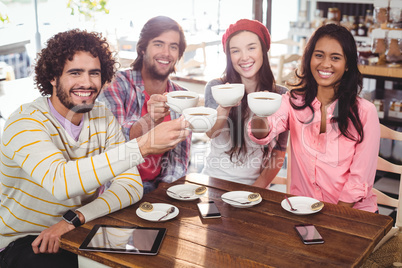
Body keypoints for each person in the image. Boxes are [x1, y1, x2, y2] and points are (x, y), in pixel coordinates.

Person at [0, 29, 189, 268]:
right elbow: (61, 183)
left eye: (94, 73)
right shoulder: (24, 122)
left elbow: (130, 186)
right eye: (75, 73)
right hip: (24, 241)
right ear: (53, 77)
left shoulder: (102, 116)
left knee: (156, 253)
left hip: (77, 229)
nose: (87, 83)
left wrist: (74, 219)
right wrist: (144, 145)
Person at [249, 24, 380, 212]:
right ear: (309, 58)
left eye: (335, 58)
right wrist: (259, 110)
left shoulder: (365, 112)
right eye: (319, 55)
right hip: (303, 209)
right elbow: (262, 133)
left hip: (352, 214)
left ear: (348, 64)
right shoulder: (293, 101)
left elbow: (359, 180)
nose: (325, 64)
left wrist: (333, 219)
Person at [99, 16, 191, 194]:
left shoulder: (182, 96)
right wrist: (151, 120)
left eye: (173, 47)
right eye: (158, 44)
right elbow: (114, 145)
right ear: (142, 49)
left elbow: (180, 159)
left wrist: (163, 194)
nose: (166, 52)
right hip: (118, 188)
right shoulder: (117, 84)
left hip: (160, 188)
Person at [201, 19, 288, 187]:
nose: (244, 57)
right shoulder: (216, 87)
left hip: (255, 187)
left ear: (263, 50)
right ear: (229, 56)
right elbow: (211, 133)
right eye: (235, 51)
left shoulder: (280, 95)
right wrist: (224, 106)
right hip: (213, 181)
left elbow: (279, 152)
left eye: (251, 48)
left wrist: (256, 189)